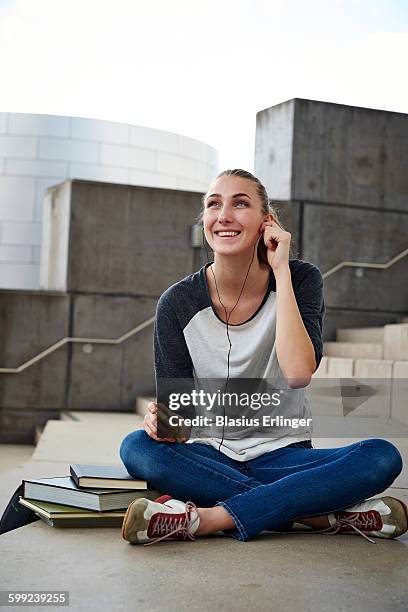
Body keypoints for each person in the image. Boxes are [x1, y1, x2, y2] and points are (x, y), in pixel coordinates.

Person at [119, 169, 406, 546]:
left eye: (240, 203)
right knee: (136, 447)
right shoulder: (177, 302)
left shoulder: (301, 279)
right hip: (210, 457)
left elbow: (299, 371)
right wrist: (163, 423)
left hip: (284, 456)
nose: (224, 215)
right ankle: (315, 513)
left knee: (382, 457)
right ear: (204, 220)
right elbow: (180, 423)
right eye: (213, 205)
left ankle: (206, 519)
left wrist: (281, 271)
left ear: (265, 222)